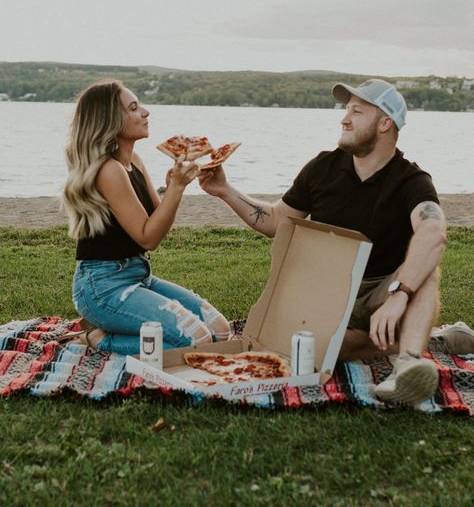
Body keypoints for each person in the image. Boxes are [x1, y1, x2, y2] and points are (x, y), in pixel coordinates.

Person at [199, 78, 474, 405]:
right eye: (346, 110)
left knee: (426, 273)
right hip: (329, 290)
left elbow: (433, 232)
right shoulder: (322, 167)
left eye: (357, 111)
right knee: (313, 349)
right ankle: (424, 339)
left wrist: (400, 294)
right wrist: (224, 190)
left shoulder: (411, 180)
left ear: (385, 123)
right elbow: (276, 220)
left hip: (382, 291)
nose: (344, 119)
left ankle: (408, 363)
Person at [62, 80, 231, 355]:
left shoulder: (135, 161)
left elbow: (156, 222)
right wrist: (175, 188)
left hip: (138, 276)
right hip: (102, 287)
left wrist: (176, 187)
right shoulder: (109, 170)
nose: (145, 112)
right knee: (195, 340)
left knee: (221, 332)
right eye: (134, 107)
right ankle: (98, 338)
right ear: (110, 120)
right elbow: (148, 238)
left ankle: (117, 325)